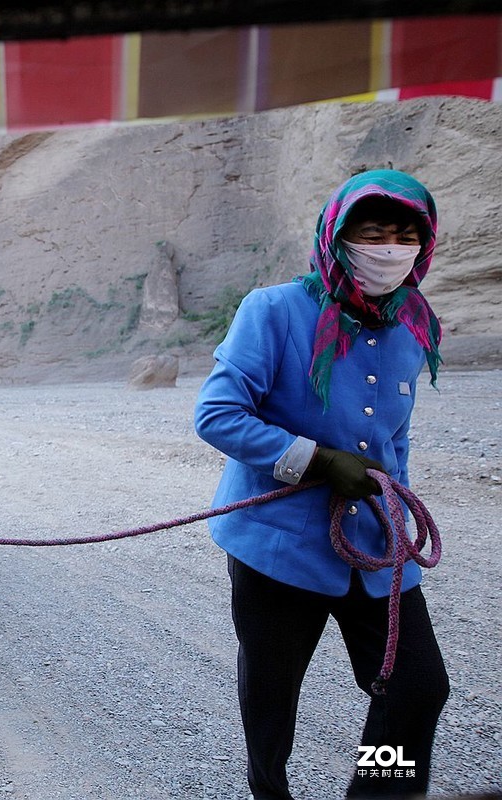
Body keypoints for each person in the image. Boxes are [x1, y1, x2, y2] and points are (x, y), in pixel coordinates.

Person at [193, 169, 449, 799]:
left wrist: (396, 513)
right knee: (272, 699)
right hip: (275, 545)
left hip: (373, 545)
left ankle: (378, 795)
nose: (390, 246)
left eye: (405, 233)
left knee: (416, 685)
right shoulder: (274, 310)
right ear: (338, 234)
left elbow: (394, 440)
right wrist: (314, 459)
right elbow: (217, 415)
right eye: (373, 230)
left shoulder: (413, 324)